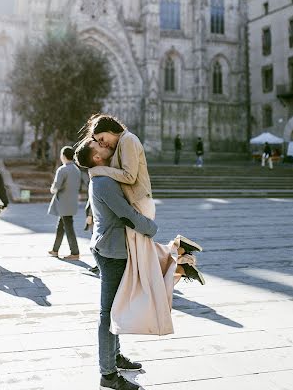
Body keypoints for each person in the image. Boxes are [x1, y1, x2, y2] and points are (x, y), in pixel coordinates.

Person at [79, 114, 204, 336]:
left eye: (101, 138)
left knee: (144, 264)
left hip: (139, 203)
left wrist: (98, 171)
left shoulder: (127, 141)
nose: (103, 143)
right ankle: (179, 254)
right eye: (98, 142)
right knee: (143, 259)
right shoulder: (120, 146)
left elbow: (128, 176)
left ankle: (178, 256)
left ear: (109, 128)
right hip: (134, 206)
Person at [75, 138, 159, 390]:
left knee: (116, 308)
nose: (104, 145)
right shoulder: (103, 182)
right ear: (97, 158)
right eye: (99, 145)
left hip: (110, 246)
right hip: (112, 251)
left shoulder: (101, 177)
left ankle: (115, 356)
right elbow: (126, 213)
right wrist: (150, 228)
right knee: (108, 313)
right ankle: (108, 373)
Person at [47, 146, 81, 260]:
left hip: (63, 202)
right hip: (72, 202)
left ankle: (75, 252)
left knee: (68, 228)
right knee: (61, 227)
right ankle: (55, 250)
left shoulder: (63, 169)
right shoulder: (77, 169)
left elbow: (56, 186)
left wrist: (52, 189)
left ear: (63, 156)